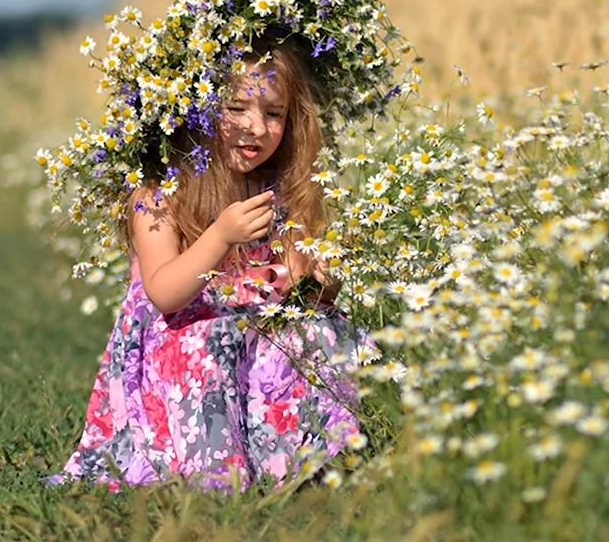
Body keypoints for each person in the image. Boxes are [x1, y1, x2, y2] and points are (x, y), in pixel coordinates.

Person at [49, 32, 371, 492]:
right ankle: (218, 472)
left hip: (254, 328)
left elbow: (299, 278)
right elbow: (164, 293)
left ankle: (312, 456)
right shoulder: (159, 193)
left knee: (320, 333)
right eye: (236, 108)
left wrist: (320, 283)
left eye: (274, 114)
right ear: (196, 108)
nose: (256, 128)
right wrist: (220, 235)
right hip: (178, 338)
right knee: (212, 338)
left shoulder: (280, 187)